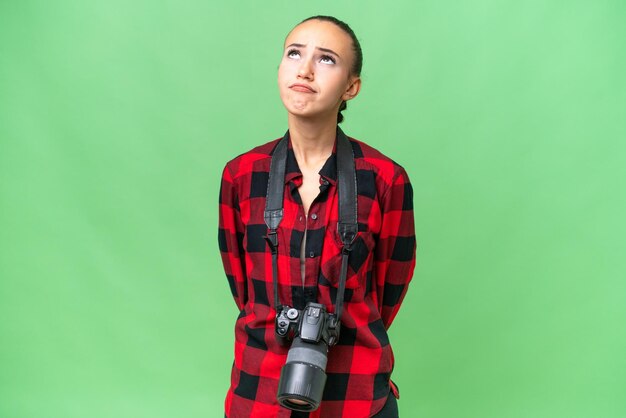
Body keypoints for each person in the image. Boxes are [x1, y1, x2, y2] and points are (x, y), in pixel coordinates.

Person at [218, 15, 416, 418]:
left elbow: (389, 289)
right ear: (280, 68)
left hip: (356, 394)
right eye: (294, 53)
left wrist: (342, 321)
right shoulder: (241, 176)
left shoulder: (385, 179)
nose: (305, 69)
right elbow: (245, 289)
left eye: (326, 59)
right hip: (259, 392)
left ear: (351, 87)